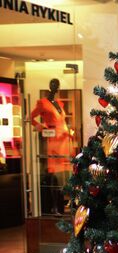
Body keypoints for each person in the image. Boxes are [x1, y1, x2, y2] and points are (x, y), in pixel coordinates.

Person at [31, 78, 73, 214]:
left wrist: (69, 132)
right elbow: (30, 117)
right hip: (54, 142)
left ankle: (62, 205)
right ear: (49, 86)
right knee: (54, 176)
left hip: (65, 141)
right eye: (53, 85)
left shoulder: (59, 103)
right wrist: (43, 129)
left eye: (57, 85)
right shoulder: (42, 103)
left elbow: (62, 122)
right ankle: (54, 206)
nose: (55, 87)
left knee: (63, 177)